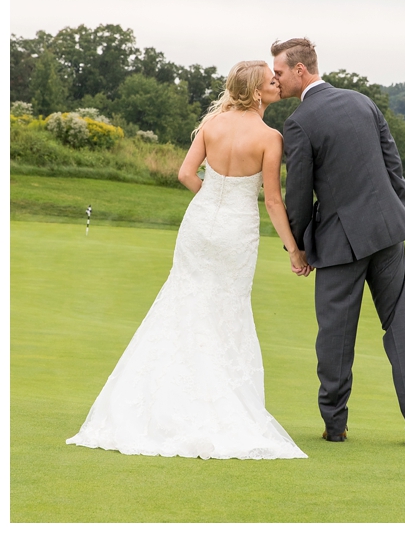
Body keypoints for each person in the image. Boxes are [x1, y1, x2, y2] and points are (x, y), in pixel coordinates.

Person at [67, 61, 308, 459]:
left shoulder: (212, 125)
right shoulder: (270, 137)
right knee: (227, 309)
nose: (276, 84)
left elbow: (184, 174)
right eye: (270, 81)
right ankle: (215, 402)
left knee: (183, 300)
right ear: (255, 91)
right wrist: (294, 249)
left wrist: (211, 197)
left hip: (198, 224)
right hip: (236, 230)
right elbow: (272, 200)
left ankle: (159, 399)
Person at [272, 38, 405, 445]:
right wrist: (397, 215)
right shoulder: (363, 102)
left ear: (300, 70)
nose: (275, 79)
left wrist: (298, 245)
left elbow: (299, 194)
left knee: (335, 334)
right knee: (401, 322)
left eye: (279, 72)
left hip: (339, 241)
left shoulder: (298, 122)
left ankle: (335, 424)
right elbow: (393, 164)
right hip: (387, 231)